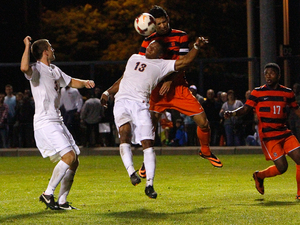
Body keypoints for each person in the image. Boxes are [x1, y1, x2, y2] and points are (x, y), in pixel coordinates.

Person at [100, 37, 207, 199]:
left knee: (148, 143)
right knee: (125, 133)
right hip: (122, 100)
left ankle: (149, 184)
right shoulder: (134, 58)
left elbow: (184, 61)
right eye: (150, 45)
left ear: (160, 53)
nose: (149, 48)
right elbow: (124, 78)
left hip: (142, 104)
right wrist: (108, 92)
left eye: (154, 47)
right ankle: (131, 173)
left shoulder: (162, 64)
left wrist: (196, 47)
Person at [138, 5, 223, 176]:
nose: (163, 26)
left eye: (164, 22)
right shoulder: (148, 40)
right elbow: (142, 65)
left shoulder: (180, 36)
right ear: (153, 24)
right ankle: (146, 161)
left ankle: (205, 150)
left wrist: (170, 80)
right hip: (157, 90)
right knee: (150, 127)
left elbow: (184, 62)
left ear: (168, 19)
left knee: (203, 122)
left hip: (178, 87)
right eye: (159, 24)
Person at [20, 36, 95, 210]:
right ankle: (48, 193)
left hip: (58, 120)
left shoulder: (54, 70)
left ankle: (62, 201)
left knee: (74, 160)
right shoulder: (36, 69)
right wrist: (27, 46)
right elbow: (24, 67)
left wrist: (85, 83)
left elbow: (70, 82)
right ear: (45, 52)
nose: (53, 50)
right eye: (50, 47)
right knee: (68, 157)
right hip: (45, 122)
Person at [224, 63, 300, 199]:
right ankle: (259, 175)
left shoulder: (287, 92)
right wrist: (232, 113)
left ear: (279, 75)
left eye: (272, 73)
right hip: (269, 136)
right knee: (282, 167)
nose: (268, 76)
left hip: (285, 132)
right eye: (266, 73)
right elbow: (246, 109)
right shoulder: (257, 92)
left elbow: (296, 109)